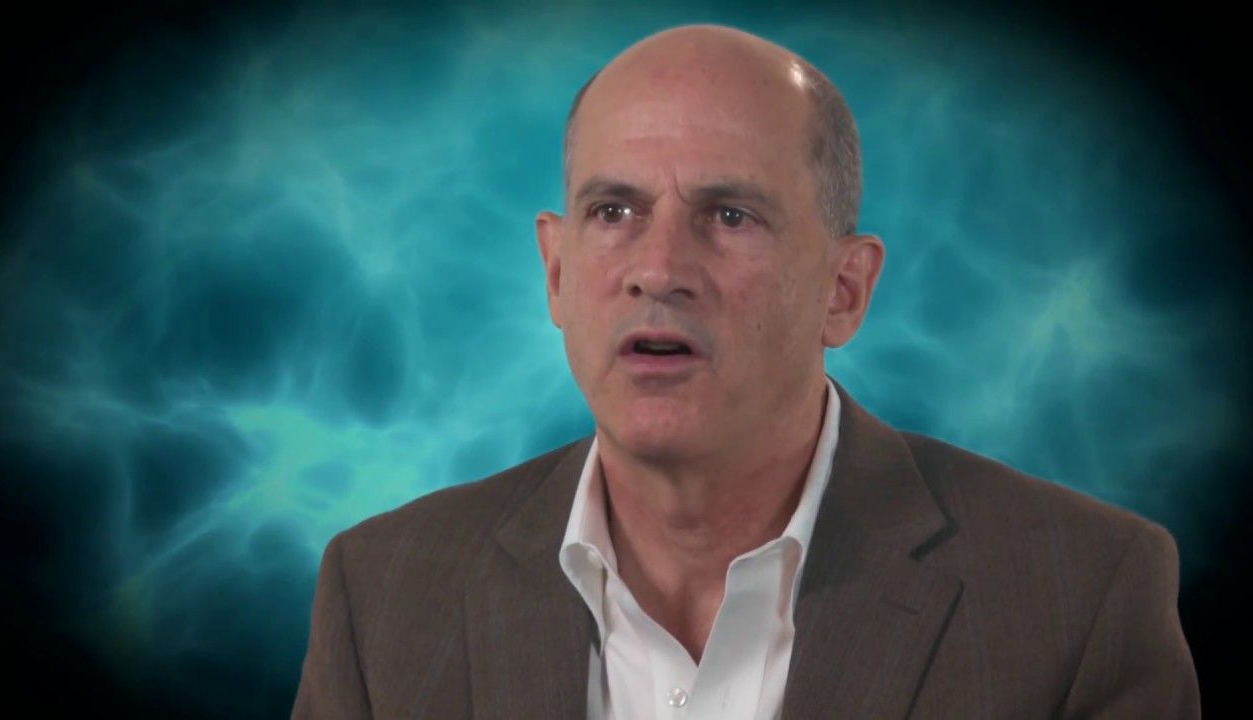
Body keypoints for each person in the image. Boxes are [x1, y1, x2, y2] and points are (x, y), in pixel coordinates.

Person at [291, 24, 1199, 719]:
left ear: (845, 290)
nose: (658, 269)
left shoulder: (1079, 599)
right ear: (556, 272)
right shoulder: (384, 597)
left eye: (730, 216)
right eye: (614, 211)